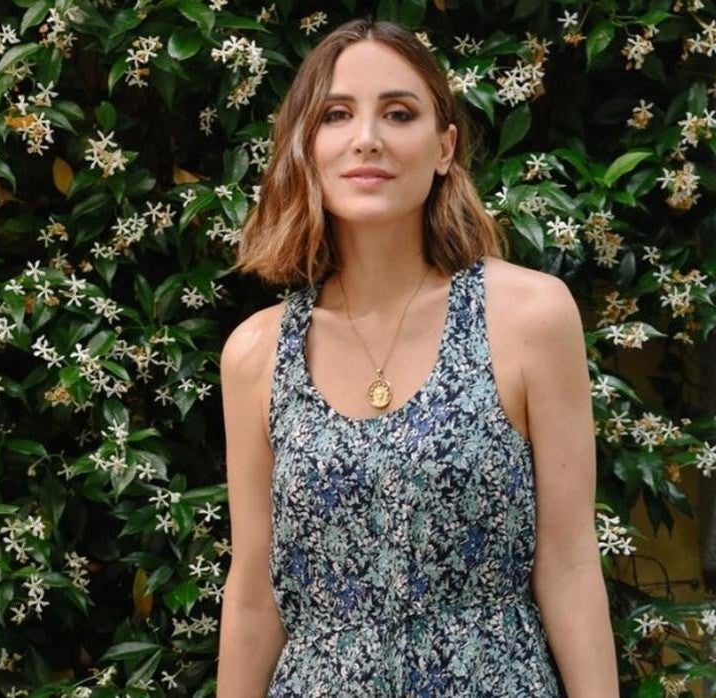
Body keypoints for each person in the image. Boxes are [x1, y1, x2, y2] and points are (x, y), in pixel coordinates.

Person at [216, 16, 618, 696]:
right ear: (306, 147)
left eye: (399, 113)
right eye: (336, 115)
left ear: (443, 147)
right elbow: (255, 590)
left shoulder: (528, 318)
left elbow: (570, 564)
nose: (367, 138)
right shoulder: (256, 353)